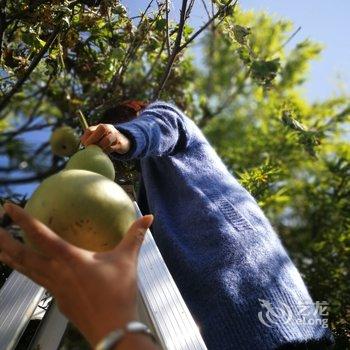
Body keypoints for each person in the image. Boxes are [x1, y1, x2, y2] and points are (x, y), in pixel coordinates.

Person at [0, 101, 333, 349]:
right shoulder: (145, 195)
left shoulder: (166, 121)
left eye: (123, 121)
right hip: (209, 324)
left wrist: (122, 137)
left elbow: (159, 126)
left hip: (256, 286)